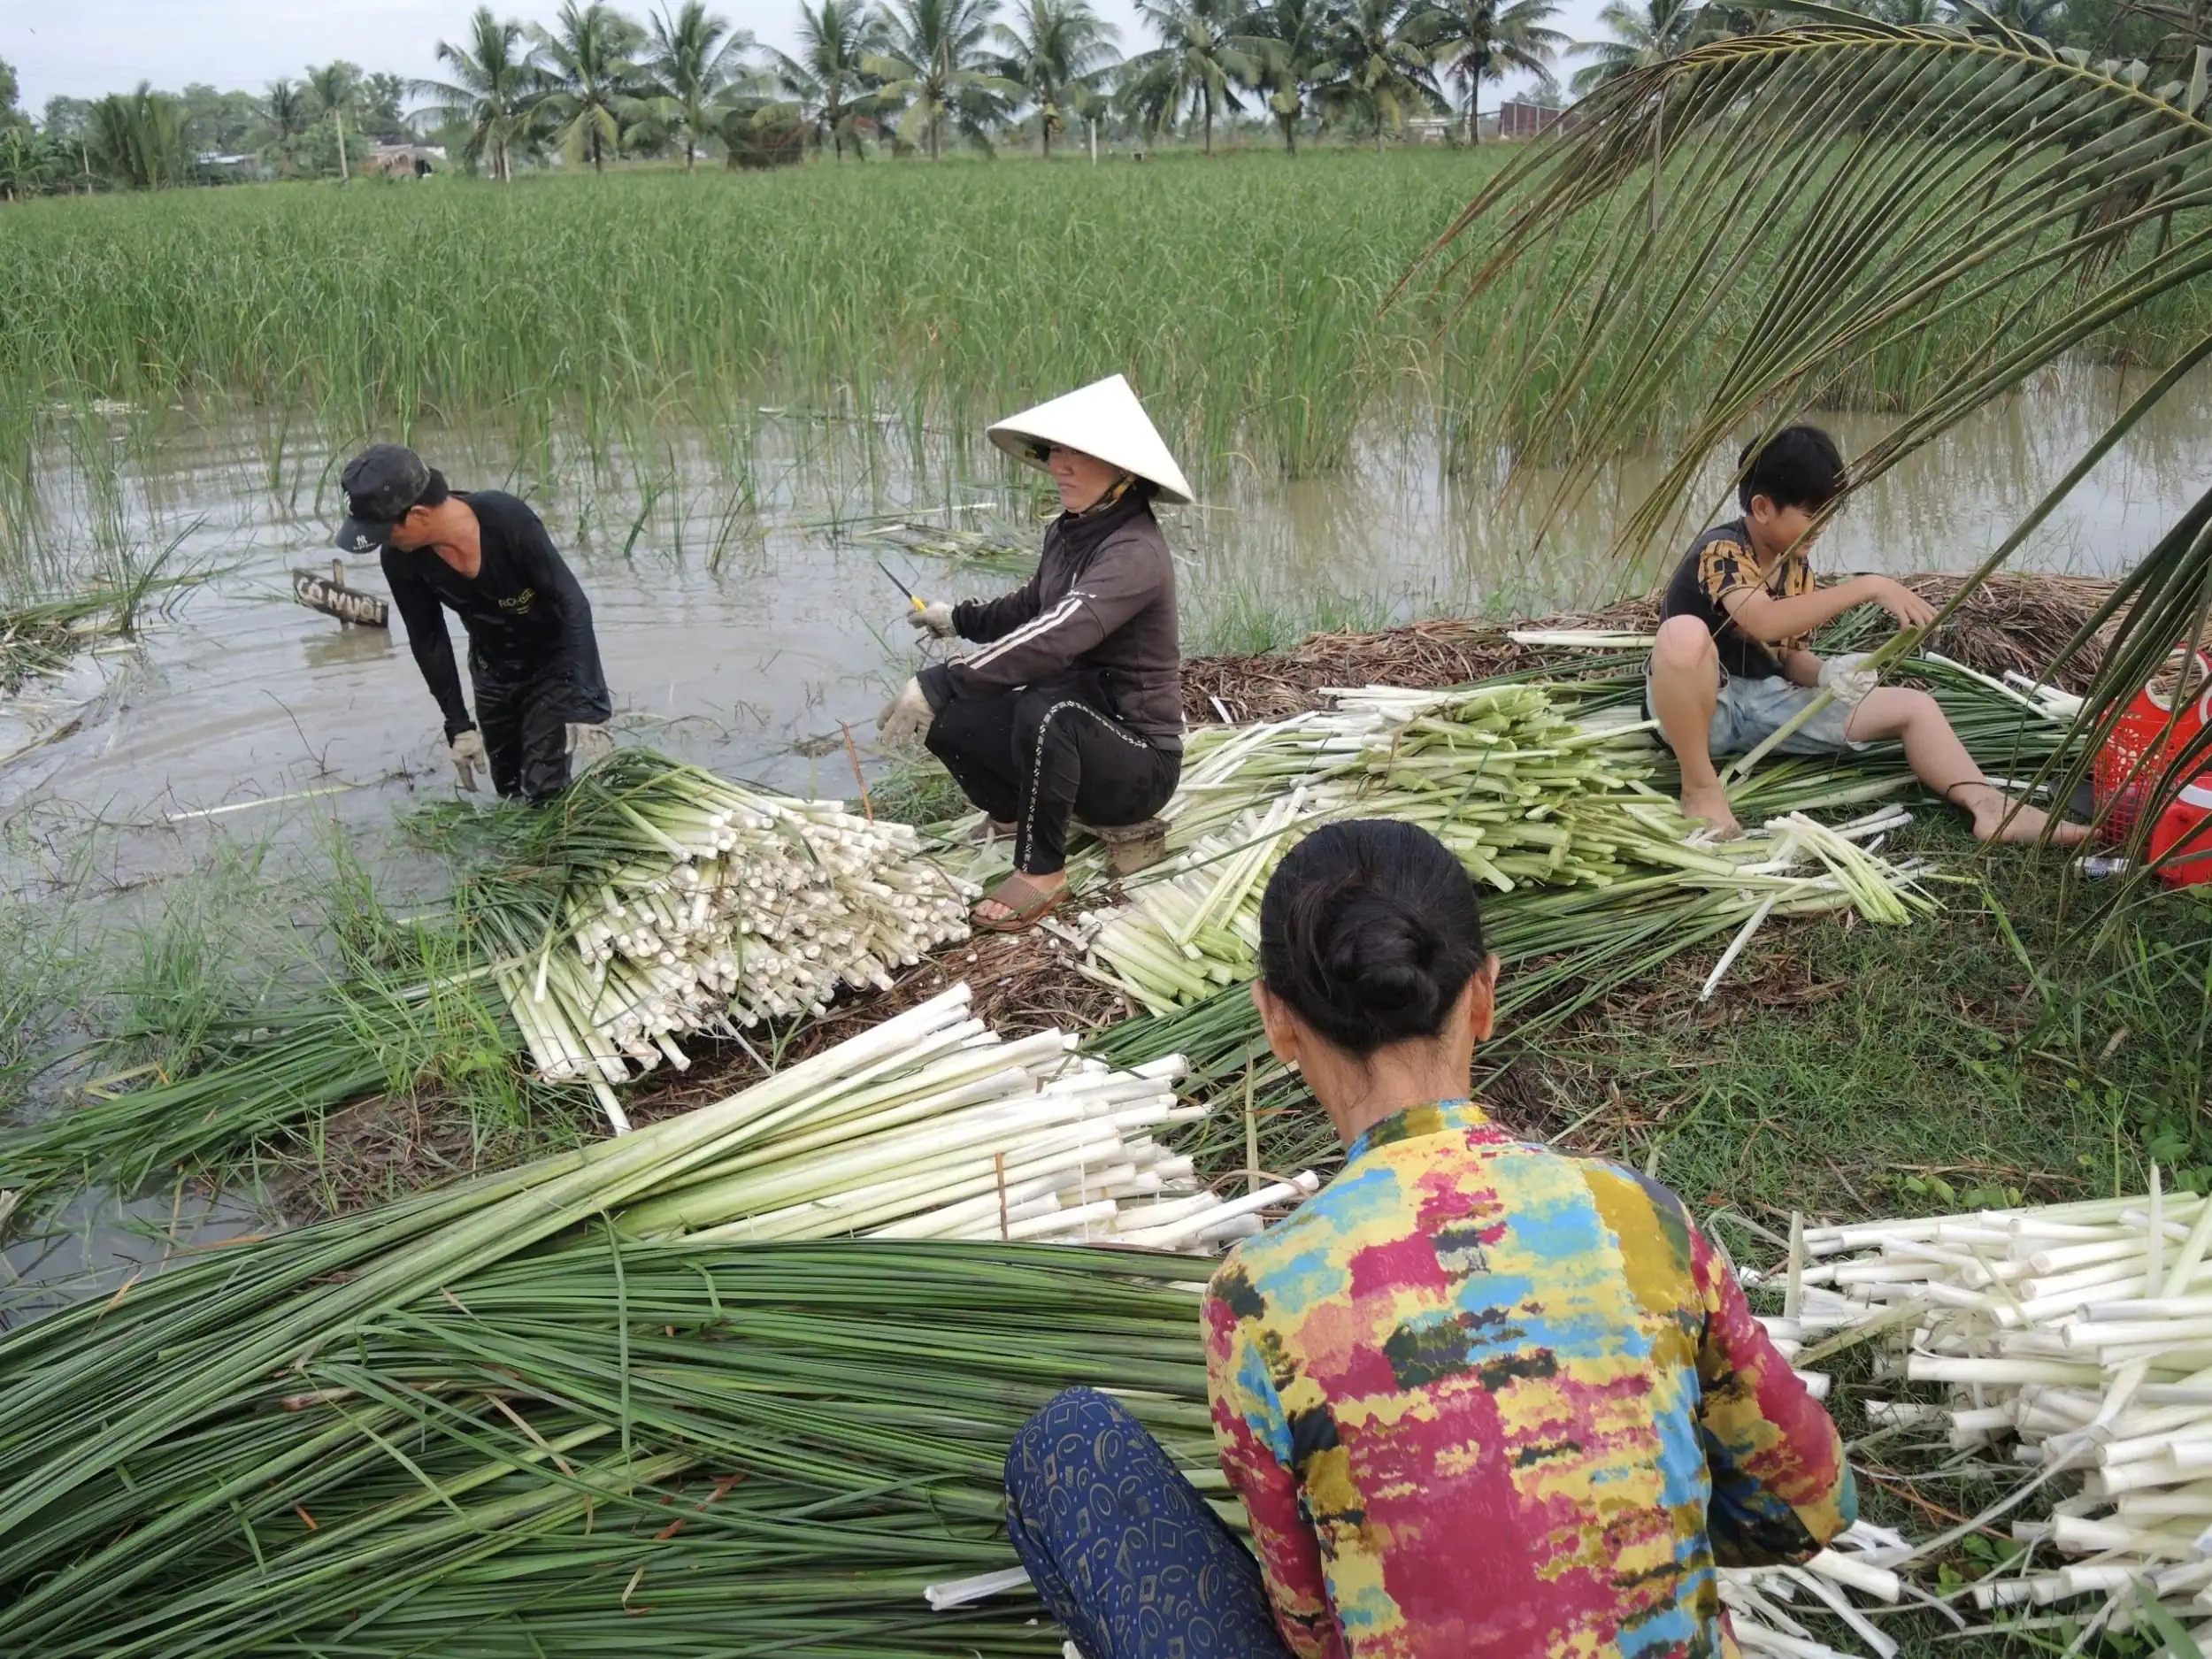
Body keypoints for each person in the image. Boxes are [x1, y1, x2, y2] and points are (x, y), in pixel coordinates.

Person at [1003, 818, 1855, 1657]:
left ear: (1276, 1020)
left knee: (1070, 1446)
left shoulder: (1259, 1297)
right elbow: (1813, 1504)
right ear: (1484, 993)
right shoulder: (1634, 1216)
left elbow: (1309, 1625)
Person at [1649, 424, 2089, 844]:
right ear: (1763, 508)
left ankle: (1989, 805)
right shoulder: (1722, 549)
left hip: (1766, 706)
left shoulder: (1795, 567)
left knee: (1916, 706)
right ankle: (1701, 787)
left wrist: (1827, 675)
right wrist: (1868, 586)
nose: (1822, 525)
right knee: (1683, 635)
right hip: (1703, 711)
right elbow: (1762, 621)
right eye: (1811, 513)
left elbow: (1786, 656)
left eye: (1828, 512)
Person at [878, 375, 1187, 932]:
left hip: (1137, 764)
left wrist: (943, 678)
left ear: (1124, 470)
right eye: (1056, 451)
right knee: (953, 718)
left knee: (1045, 708)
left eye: (1080, 453)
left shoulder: (1134, 552)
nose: (1060, 466)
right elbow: (1033, 605)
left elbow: (1056, 635)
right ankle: (1015, 813)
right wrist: (957, 620)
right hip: (1077, 738)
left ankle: (1044, 874)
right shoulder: (1071, 532)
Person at [334, 443, 614, 803]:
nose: (385, 543)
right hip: (492, 670)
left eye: (385, 533)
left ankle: (557, 854)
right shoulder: (401, 560)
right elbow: (428, 637)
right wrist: (458, 726)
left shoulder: (506, 520)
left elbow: (571, 600)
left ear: (418, 515)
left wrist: (588, 704)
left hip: (554, 664)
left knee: (544, 789)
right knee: (510, 791)